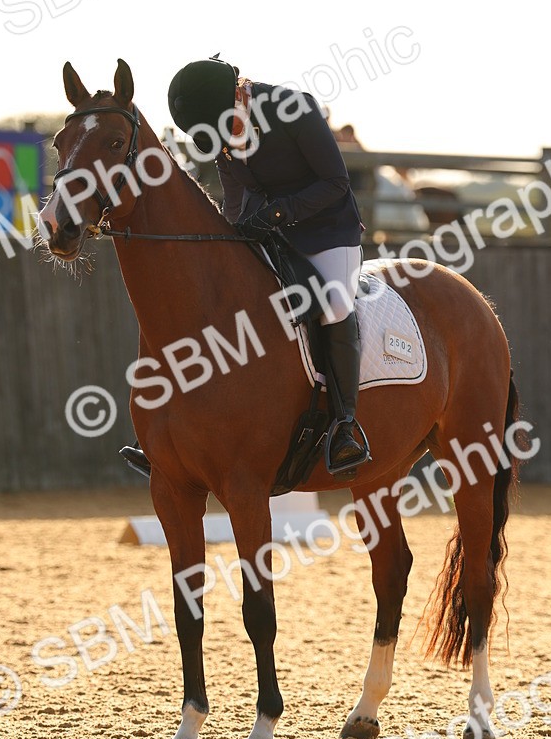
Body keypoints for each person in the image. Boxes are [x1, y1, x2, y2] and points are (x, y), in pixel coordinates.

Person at [120, 55, 370, 478]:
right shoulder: (221, 132)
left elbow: (335, 183)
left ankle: (345, 424)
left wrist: (275, 215)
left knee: (332, 306)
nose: (222, 142)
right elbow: (234, 196)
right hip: (270, 234)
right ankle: (176, 436)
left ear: (239, 93)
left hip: (327, 233)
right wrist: (231, 237)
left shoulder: (296, 109)